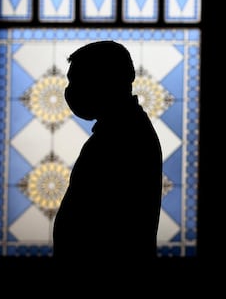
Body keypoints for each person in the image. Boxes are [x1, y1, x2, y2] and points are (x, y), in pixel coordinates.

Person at [53, 40, 163, 263]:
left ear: (103, 81)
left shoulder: (124, 138)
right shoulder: (121, 131)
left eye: (77, 81)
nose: (70, 91)